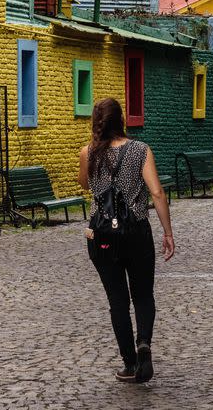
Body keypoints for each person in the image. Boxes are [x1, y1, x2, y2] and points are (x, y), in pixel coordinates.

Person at [78, 98, 175, 383]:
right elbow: (156, 193)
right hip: (136, 233)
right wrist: (167, 232)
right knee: (143, 295)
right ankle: (143, 343)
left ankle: (130, 363)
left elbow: (84, 183)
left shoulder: (88, 153)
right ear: (121, 120)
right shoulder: (141, 150)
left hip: (102, 236)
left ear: (97, 123)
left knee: (117, 301)